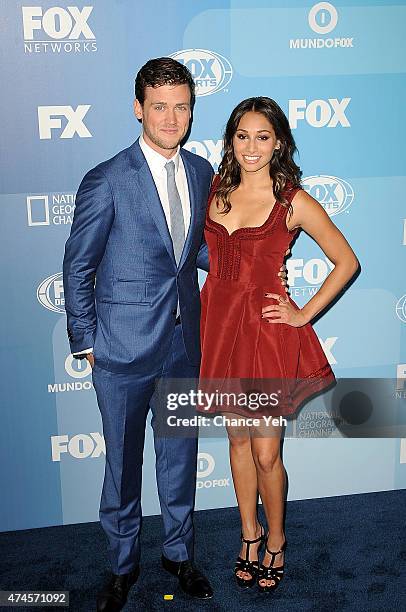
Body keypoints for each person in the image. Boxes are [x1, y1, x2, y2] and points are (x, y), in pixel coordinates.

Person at [63, 57, 217, 611]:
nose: (172, 117)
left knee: (179, 456)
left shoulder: (201, 171)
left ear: (192, 110)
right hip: (120, 349)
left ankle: (178, 554)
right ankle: (121, 565)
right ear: (138, 108)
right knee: (122, 465)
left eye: (182, 106)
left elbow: (190, 252)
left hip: (181, 345)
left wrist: (245, 269)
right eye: (160, 106)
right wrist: (86, 341)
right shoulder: (107, 179)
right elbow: (78, 265)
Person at [197, 97, 359, 593]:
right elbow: (207, 256)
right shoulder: (214, 192)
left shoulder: (293, 201)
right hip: (219, 328)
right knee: (237, 441)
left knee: (267, 452)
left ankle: (277, 540)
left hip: (265, 336)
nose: (251, 147)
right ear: (231, 141)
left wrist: (302, 312)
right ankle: (248, 534)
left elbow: (347, 262)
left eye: (262, 137)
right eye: (242, 136)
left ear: (280, 142)